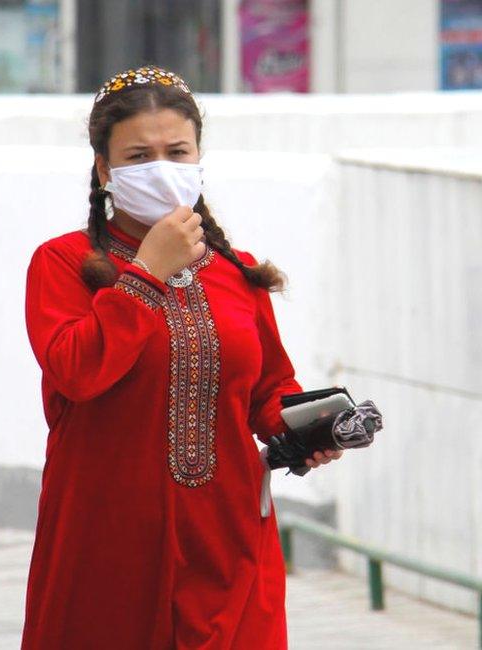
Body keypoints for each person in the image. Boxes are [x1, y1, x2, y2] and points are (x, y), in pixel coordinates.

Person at [21, 66, 341, 649]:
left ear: (199, 158)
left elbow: (269, 388)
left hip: (226, 535)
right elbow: (76, 371)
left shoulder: (237, 270)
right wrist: (146, 274)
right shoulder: (62, 264)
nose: (161, 168)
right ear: (103, 168)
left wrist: (305, 427)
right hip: (109, 538)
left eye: (176, 151)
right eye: (139, 156)